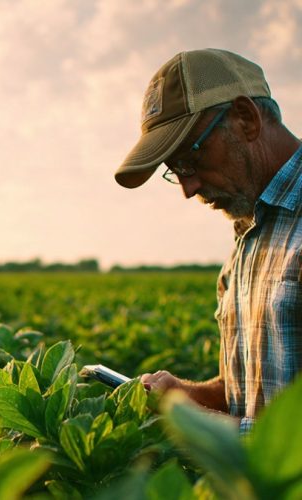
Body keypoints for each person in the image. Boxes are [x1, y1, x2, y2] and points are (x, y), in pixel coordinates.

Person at [114, 48, 302, 432]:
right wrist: (187, 396)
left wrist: (199, 427)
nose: (188, 187)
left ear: (246, 119)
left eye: (189, 159)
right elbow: (252, 393)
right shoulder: (248, 238)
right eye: (174, 171)